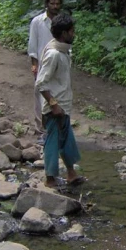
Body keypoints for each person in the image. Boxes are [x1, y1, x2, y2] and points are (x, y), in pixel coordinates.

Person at [36, 12, 86, 188]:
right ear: (64, 33)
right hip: (55, 107)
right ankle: (50, 179)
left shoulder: (63, 50)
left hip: (63, 104)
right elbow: (41, 84)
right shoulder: (54, 54)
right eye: (72, 31)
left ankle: (71, 174)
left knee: (67, 139)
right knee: (53, 141)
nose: (74, 34)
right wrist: (53, 105)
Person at [28, 0, 63, 134]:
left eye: (57, 3)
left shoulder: (62, 22)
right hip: (42, 64)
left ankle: (56, 126)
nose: (55, 6)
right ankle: (40, 128)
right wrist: (34, 65)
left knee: (57, 93)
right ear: (46, 4)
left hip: (59, 62)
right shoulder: (37, 22)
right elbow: (33, 45)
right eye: (52, 3)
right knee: (40, 95)